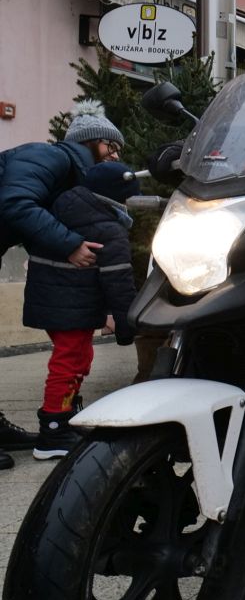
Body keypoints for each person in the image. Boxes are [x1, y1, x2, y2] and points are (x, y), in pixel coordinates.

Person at [0, 101, 127, 465]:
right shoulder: (49, 157)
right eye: (111, 146)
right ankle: (53, 431)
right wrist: (69, 245)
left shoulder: (67, 174)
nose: (115, 155)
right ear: (91, 141)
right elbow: (16, 203)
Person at [21, 161, 139, 460]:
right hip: (73, 303)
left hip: (54, 299)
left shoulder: (64, 208)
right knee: (69, 361)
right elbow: (119, 280)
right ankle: (53, 430)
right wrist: (127, 326)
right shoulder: (108, 227)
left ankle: (65, 415)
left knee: (77, 357)